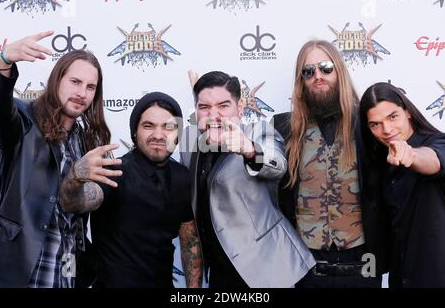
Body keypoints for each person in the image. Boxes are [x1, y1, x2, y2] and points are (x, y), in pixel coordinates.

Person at [0, 31, 114, 287]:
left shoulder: (88, 140)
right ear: (57, 79)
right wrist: (4, 62)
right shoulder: (25, 121)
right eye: (75, 81)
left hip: (67, 268)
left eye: (90, 87)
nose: (82, 92)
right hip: (22, 267)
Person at [181, 70, 315, 288]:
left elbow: (277, 165)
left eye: (223, 106)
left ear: (240, 108)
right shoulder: (189, 145)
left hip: (272, 270)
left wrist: (250, 150)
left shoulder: (259, 132)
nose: (214, 115)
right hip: (220, 274)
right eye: (204, 107)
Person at [273, 40, 387, 288]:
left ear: (339, 71)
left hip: (363, 270)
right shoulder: (283, 128)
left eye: (326, 67)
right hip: (307, 272)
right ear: (300, 80)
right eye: (308, 71)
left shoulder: (368, 124)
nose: (318, 76)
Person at [60, 92, 203, 288]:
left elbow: (189, 238)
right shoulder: (113, 171)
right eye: (148, 126)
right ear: (135, 132)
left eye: (168, 127)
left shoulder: (182, 176)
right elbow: (73, 203)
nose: (159, 135)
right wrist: (75, 175)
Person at [360, 82, 445, 288]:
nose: (387, 129)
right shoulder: (381, 163)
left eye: (392, 117)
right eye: (375, 124)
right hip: (401, 278)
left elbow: (433, 160)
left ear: (407, 112)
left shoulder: (436, 143)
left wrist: (411, 155)